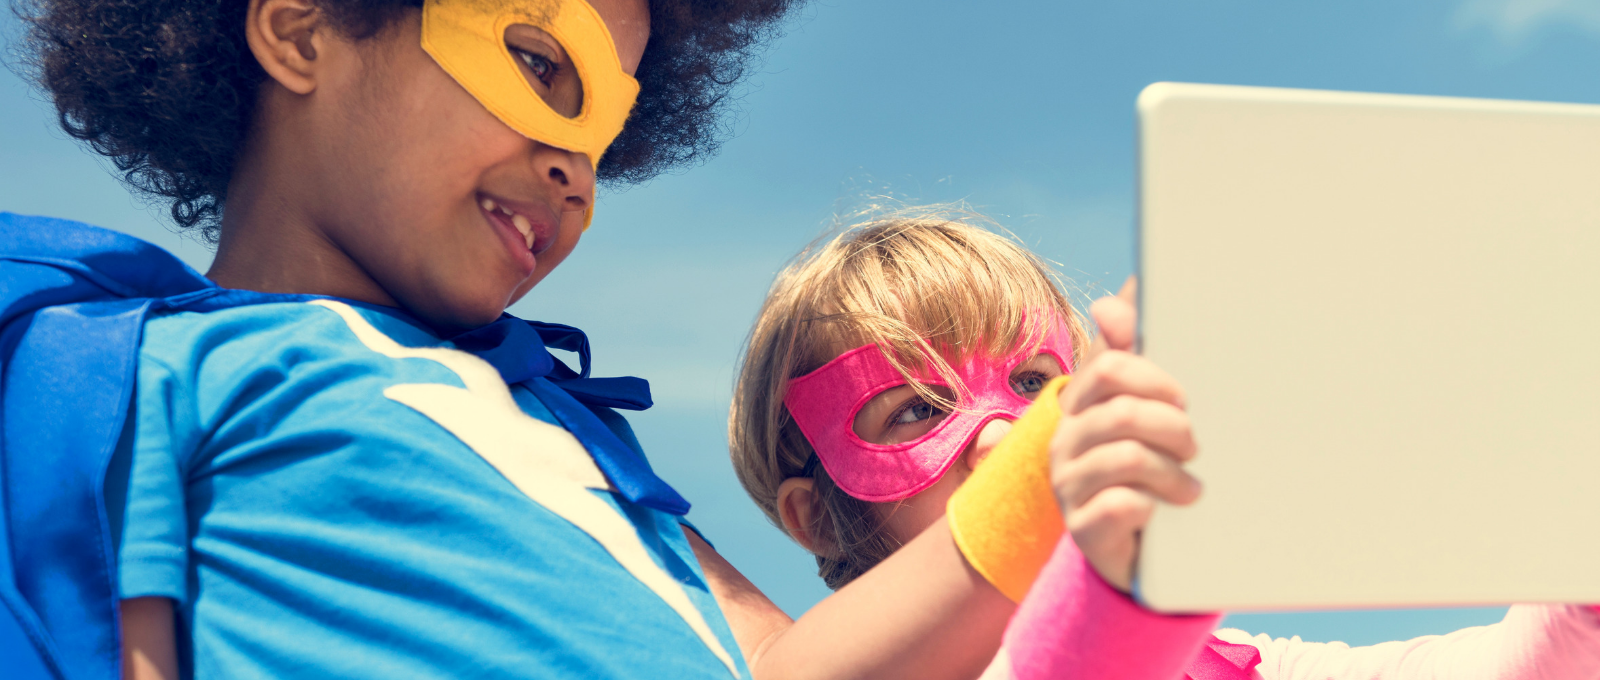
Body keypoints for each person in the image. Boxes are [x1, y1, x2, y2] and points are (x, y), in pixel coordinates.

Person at [2, 0, 801, 677]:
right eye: (538, 66)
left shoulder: (585, 450)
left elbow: (800, 662)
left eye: (604, 141)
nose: (579, 176)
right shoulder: (138, 376)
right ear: (301, 34)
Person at [728, 206, 1600, 679]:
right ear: (817, 519)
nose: (1009, 442)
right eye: (915, 409)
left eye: (1035, 383)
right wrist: (1136, 579)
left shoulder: (1243, 664)